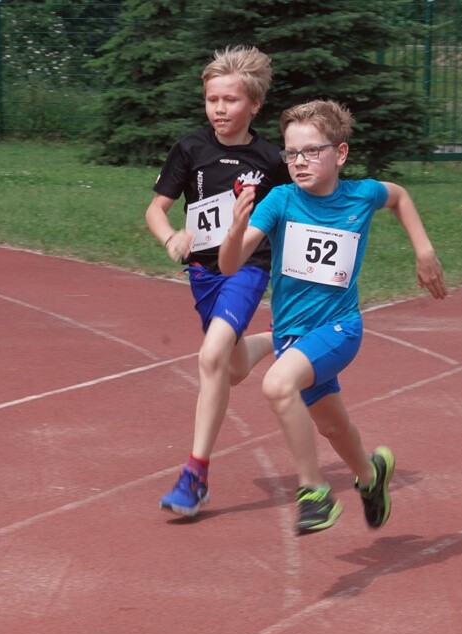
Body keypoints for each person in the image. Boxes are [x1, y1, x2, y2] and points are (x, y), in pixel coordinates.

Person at [219, 99, 447, 535]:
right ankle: (370, 476)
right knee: (333, 426)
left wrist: (424, 250)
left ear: (339, 153)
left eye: (311, 151)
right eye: (291, 153)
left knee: (277, 383)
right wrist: (233, 232)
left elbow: (398, 196)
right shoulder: (281, 200)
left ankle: (314, 494)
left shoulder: (361, 195)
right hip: (293, 335)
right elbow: (230, 264)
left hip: (339, 329)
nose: (299, 162)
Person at [147, 45, 291, 517]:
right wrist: (171, 238)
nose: (220, 109)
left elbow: (299, 209)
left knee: (210, 357)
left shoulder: (271, 159)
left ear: (254, 105)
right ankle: (277, 338)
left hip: (248, 269)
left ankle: (195, 475)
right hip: (203, 274)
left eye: (230, 100)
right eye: (212, 100)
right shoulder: (191, 148)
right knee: (228, 367)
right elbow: (156, 210)